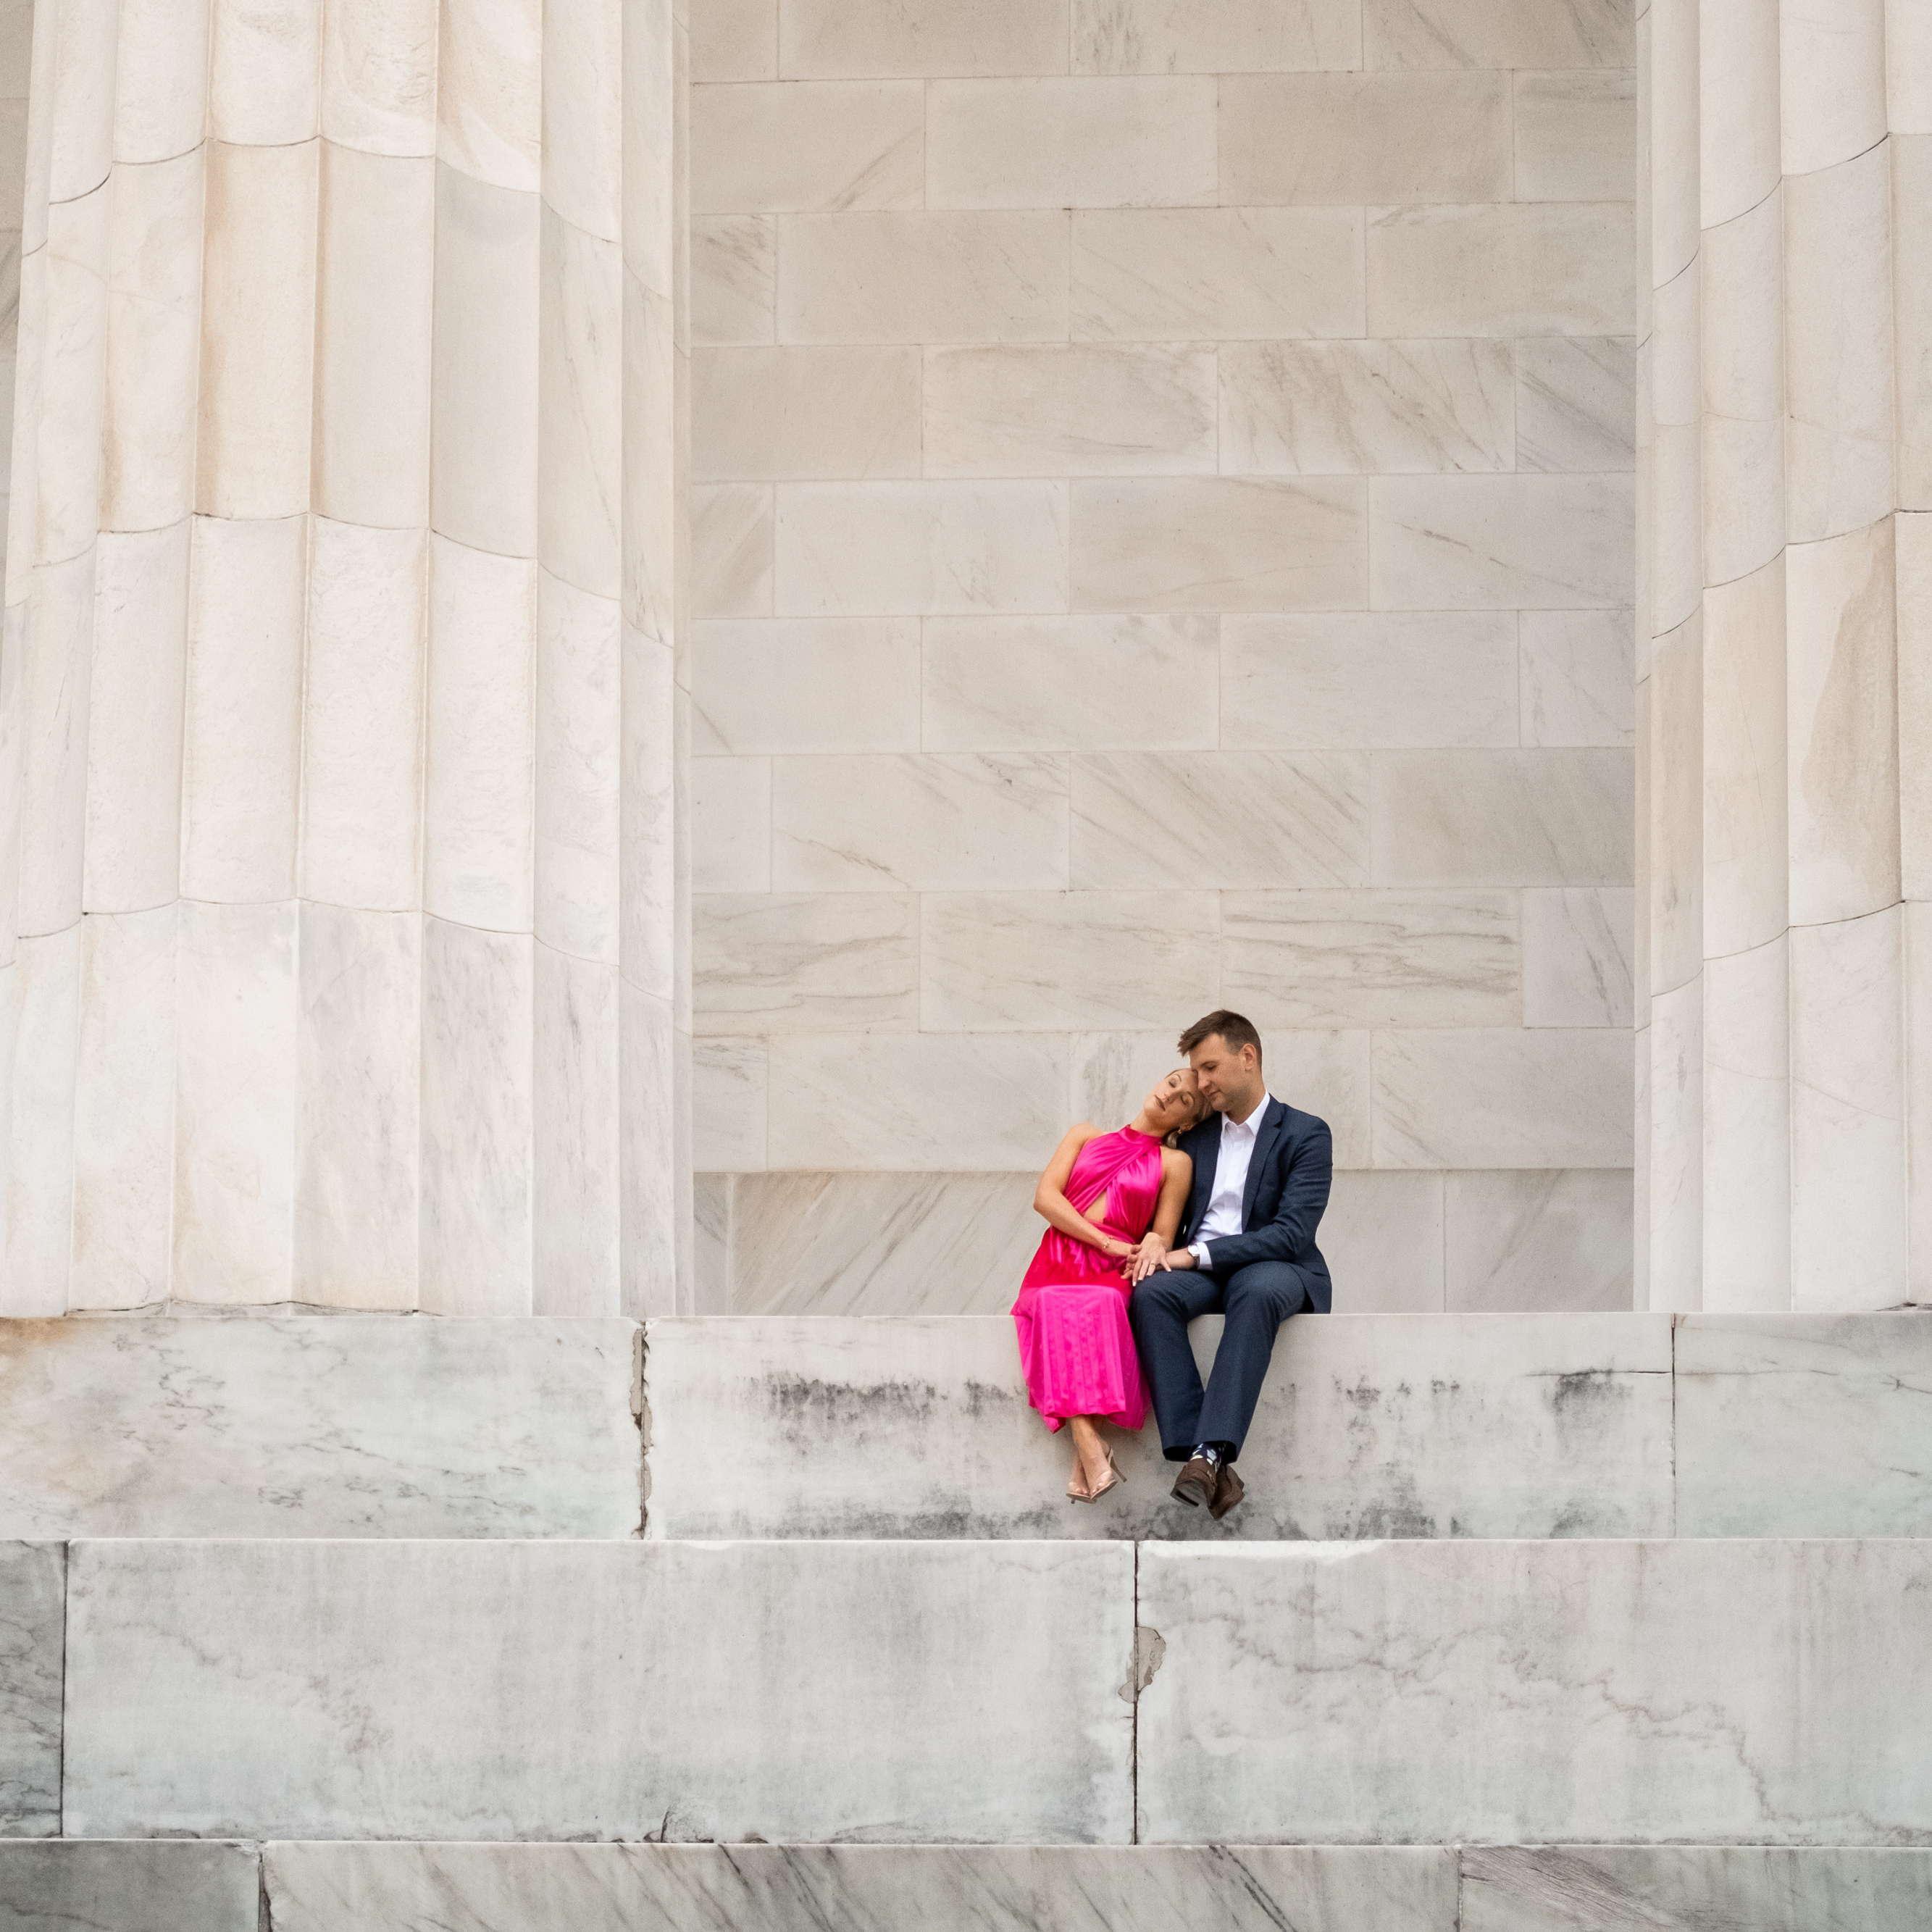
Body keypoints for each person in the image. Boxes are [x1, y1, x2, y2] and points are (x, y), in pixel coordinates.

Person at [1129, 1010, 1332, 1522]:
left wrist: (1194, 1253)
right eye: (1195, 1071)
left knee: (1257, 1291)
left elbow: (1291, 1233)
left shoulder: (1306, 1133)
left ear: (1248, 1056)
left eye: (1210, 1067)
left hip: (1275, 1265)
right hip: (1199, 1274)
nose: (1201, 1083)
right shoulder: (1193, 1139)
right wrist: (1157, 1242)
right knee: (1150, 1294)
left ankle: (1208, 1453)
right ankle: (1203, 1455)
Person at [1012, 1069, 1210, 1503]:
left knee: (1097, 1304)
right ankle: (1089, 1445)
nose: (1170, 1094)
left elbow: (1162, 1235)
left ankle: (1088, 1451)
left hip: (1113, 1273)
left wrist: (1154, 1241)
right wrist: (1103, 1240)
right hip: (1058, 1261)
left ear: (1187, 1123)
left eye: (1185, 1101)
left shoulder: (1176, 1163)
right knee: (1050, 1302)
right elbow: (1046, 1197)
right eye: (1172, 1082)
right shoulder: (1084, 1135)